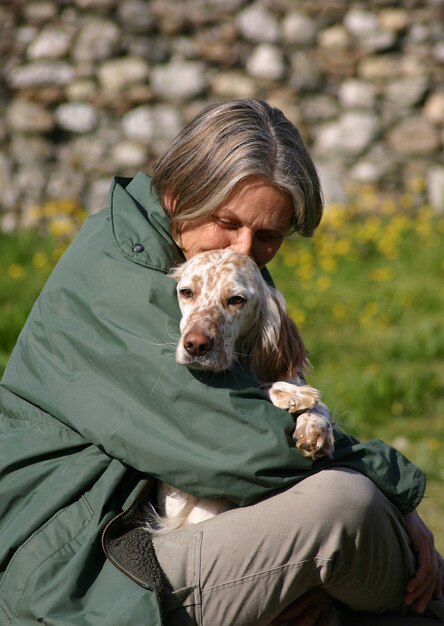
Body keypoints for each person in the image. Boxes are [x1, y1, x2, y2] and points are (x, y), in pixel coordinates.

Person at [0, 98, 442, 626]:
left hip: (128, 532)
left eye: (269, 236)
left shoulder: (205, 264)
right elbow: (236, 445)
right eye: (226, 222)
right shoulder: (119, 280)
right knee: (345, 507)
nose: (245, 249)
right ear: (178, 193)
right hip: (73, 569)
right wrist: (394, 489)